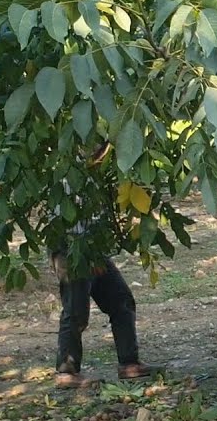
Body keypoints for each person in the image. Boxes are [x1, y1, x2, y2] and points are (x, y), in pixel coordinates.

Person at [52, 146, 156, 388]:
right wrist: (85, 255)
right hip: (72, 248)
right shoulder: (71, 171)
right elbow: (67, 219)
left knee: (121, 301)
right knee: (76, 311)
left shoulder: (98, 173)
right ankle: (66, 372)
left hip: (93, 249)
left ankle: (129, 363)